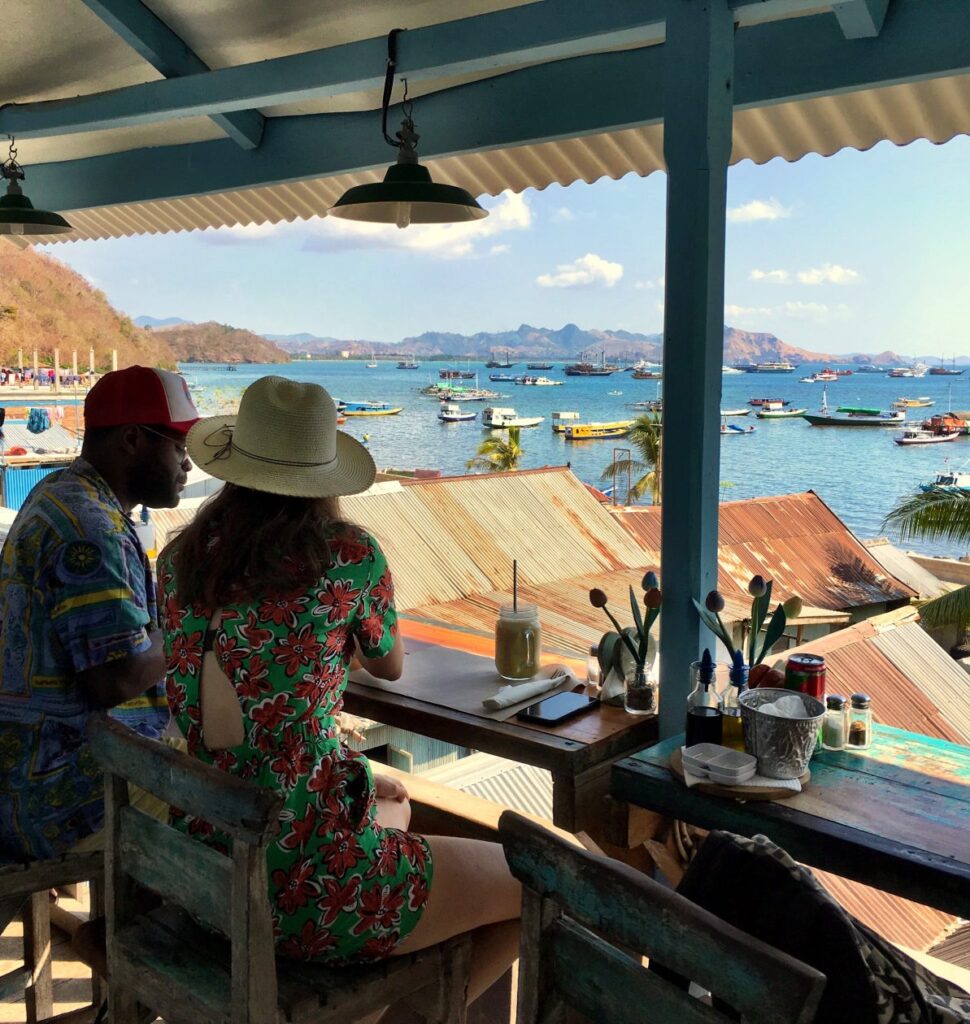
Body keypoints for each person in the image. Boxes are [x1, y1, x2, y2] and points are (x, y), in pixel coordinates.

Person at [159, 376, 520, 1003]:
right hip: (301, 887)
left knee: (394, 799)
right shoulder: (348, 556)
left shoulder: (180, 558)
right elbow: (390, 667)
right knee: (533, 882)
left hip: (203, 864)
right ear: (323, 477)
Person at [0, 366, 199, 861]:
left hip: (20, 765)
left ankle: (106, 929)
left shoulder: (61, 493)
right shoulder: (92, 530)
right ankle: (132, 934)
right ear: (132, 440)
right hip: (47, 795)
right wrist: (191, 625)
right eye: (178, 447)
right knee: (222, 790)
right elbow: (117, 679)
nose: (188, 465)